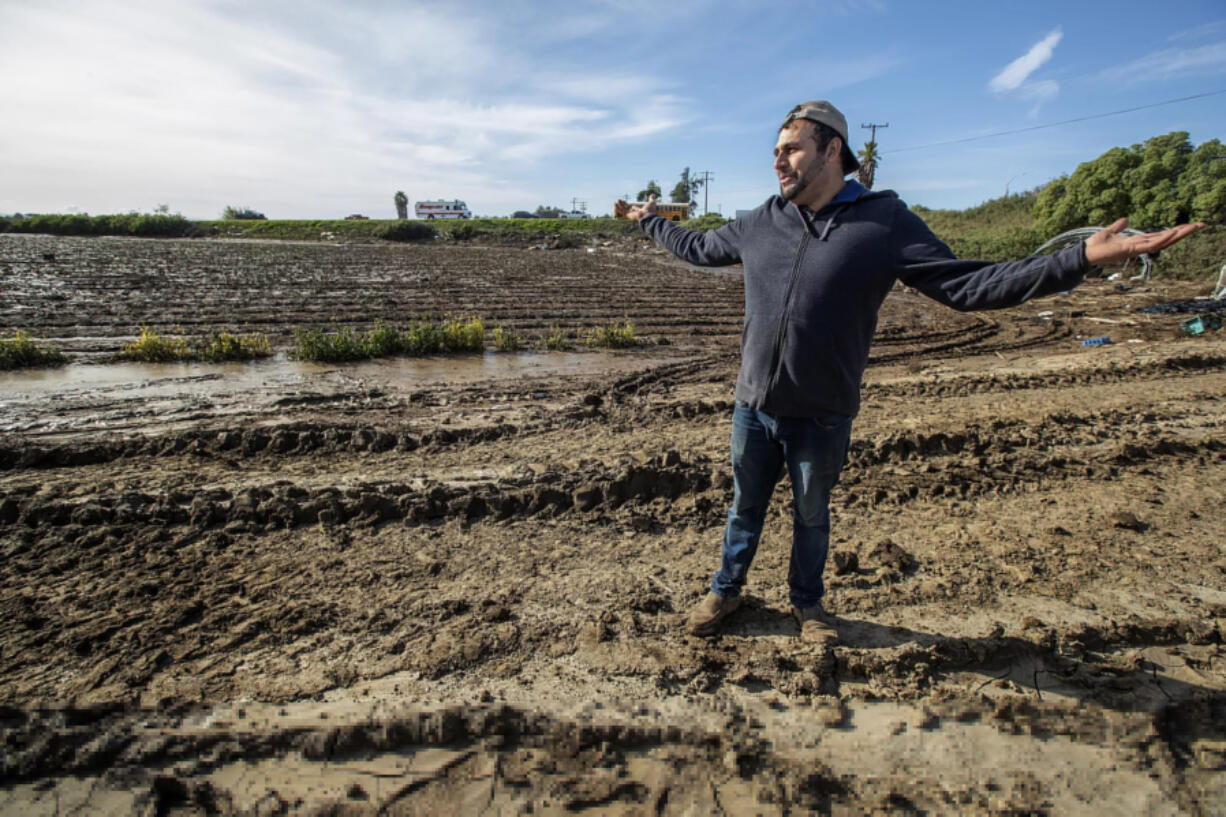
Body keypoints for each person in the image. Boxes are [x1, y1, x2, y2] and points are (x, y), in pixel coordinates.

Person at [615, 100, 1205, 645]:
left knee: (811, 514)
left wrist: (1078, 258)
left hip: (822, 413)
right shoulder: (761, 220)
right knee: (745, 506)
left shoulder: (884, 223)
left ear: (832, 151)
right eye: (775, 151)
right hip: (753, 406)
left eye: (791, 148)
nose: (778, 161)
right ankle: (726, 591)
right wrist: (648, 218)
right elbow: (695, 247)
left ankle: (809, 606)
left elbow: (970, 286)